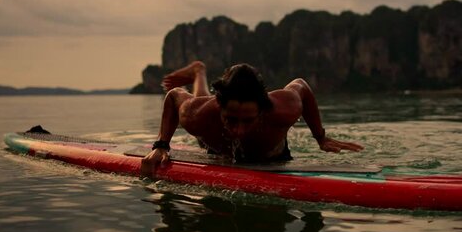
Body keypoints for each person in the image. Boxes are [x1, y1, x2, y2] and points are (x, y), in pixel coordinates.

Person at [141, 61, 364, 177]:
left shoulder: (283, 107)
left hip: (274, 156)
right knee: (200, 112)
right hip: (216, 143)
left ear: (263, 110)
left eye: (247, 120)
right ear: (220, 107)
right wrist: (161, 145)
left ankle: (199, 72)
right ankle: (199, 71)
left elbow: (302, 87)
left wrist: (320, 137)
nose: (238, 130)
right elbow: (173, 96)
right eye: (231, 120)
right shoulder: (199, 113)